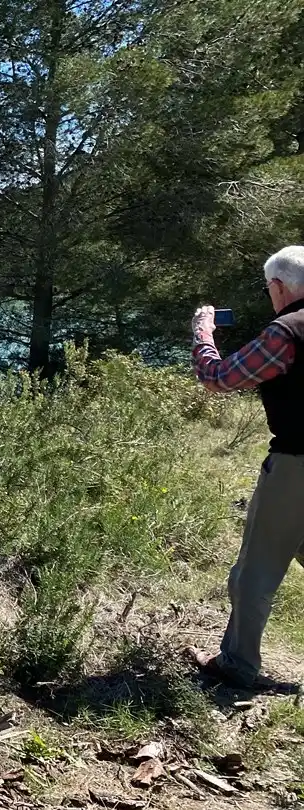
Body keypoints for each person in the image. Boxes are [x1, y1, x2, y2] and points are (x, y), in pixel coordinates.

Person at [188, 245, 304, 688]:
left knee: (254, 570)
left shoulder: (287, 332)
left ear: (278, 287)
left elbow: (219, 377)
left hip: (296, 467)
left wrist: (203, 332)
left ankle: (238, 665)